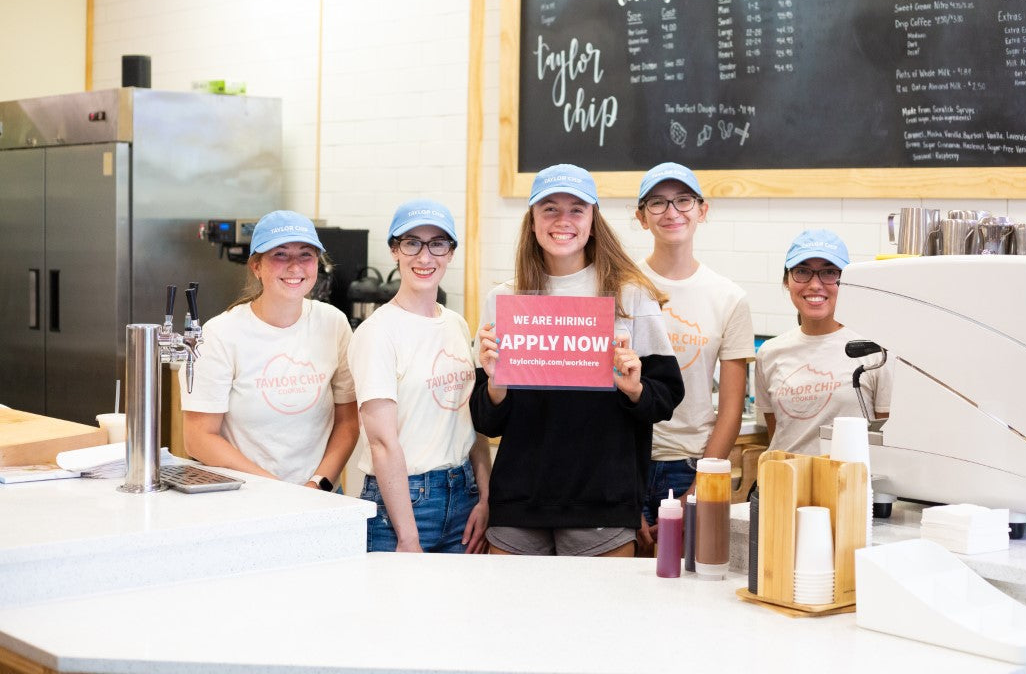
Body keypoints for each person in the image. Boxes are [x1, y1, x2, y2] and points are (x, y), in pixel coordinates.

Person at [472, 164, 684, 557]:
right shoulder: (504, 299)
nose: (563, 220)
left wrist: (635, 388)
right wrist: (496, 384)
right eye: (549, 209)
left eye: (576, 209)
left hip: (602, 501)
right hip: (519, 502)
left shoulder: (630, 295)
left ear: (592, 220)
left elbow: (666, 398)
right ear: (532, 221)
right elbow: (485, 420)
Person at [348, 200, 490, 553]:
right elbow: (382, 443)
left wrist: (485, 497)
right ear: (394, 250)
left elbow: (469, 422)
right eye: (412, 243)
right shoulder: (377, 332)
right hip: (404, 505)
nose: (425, 257)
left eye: (437, 244)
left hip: (464, 496)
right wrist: (408, 536)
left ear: (451, 252)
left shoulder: (456, 324)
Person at [181, 210, 358, 492]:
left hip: (321, 495)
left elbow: (348, 422)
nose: (295, 266)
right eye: (280, 254)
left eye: (306, 254)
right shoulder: (221, 334)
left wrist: (317, 484)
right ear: (256, 266)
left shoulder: (333, 323)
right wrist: (280, 491)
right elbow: (198, 438)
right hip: (246, 496)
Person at [633, 163, 755, 550]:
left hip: (691, 464)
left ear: (702, 210)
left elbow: (731, 410)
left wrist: (699, 487)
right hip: (627, 461)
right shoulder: (620, 285)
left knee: (690, 579)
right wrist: (618, 486)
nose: (672, 211)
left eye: (683, 200)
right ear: (641, 217)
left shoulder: (728, 297)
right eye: (657, 202)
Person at [754, 229, 891, 455]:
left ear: (845, 282)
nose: (815, 284)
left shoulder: (875, 351)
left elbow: (887, 442)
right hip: (785, 475)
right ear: (787, 281)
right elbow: (779, 437)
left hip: (850, 476)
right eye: (802, 271)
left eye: (829, 272)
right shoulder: (769, 353)